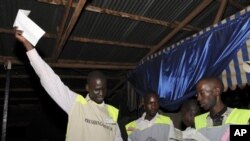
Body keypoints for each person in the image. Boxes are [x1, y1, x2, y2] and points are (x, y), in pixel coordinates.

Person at [14, 28, 123, 141]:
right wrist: (28, 45)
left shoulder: (112, 113)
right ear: (87, 88)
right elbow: (50, 79)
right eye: (96, 89)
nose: (101, 93)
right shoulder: (76, 104)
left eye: (104, 89)